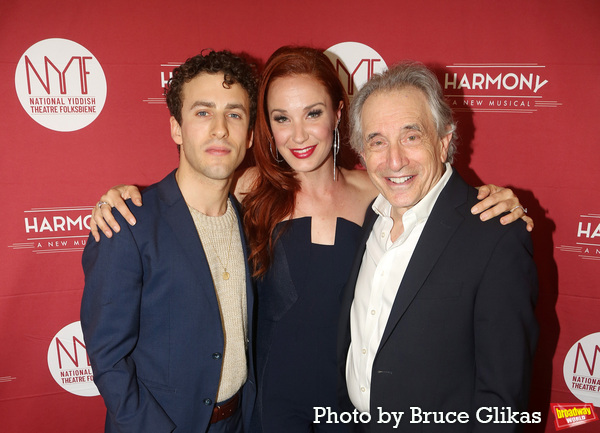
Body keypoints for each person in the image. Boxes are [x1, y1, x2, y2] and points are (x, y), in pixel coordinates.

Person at [87, 47, 532, 433]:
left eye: (313, 114)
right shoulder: (247, 188)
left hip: (350, 407)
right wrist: (119, 198)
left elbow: (437, 205)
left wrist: (497, 201)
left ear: (338, 114)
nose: (298, 135)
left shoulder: (378, 188)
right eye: (282, 118)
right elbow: (187, 201)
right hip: (269, 407)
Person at [337, 61, 538, 432]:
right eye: (377, 141)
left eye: (411, 136)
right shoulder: (372, 218)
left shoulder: (495, 234)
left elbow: (501, 401)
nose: (394, 159)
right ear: (362, 154)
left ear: (444, 141)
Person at [80, 50, 258, 433]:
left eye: (234, 114)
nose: (220, 129)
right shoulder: (128, 222)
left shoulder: (252, 222)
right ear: (176, 128)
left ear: (251, 134)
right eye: (203, 112)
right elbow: (108, 357)